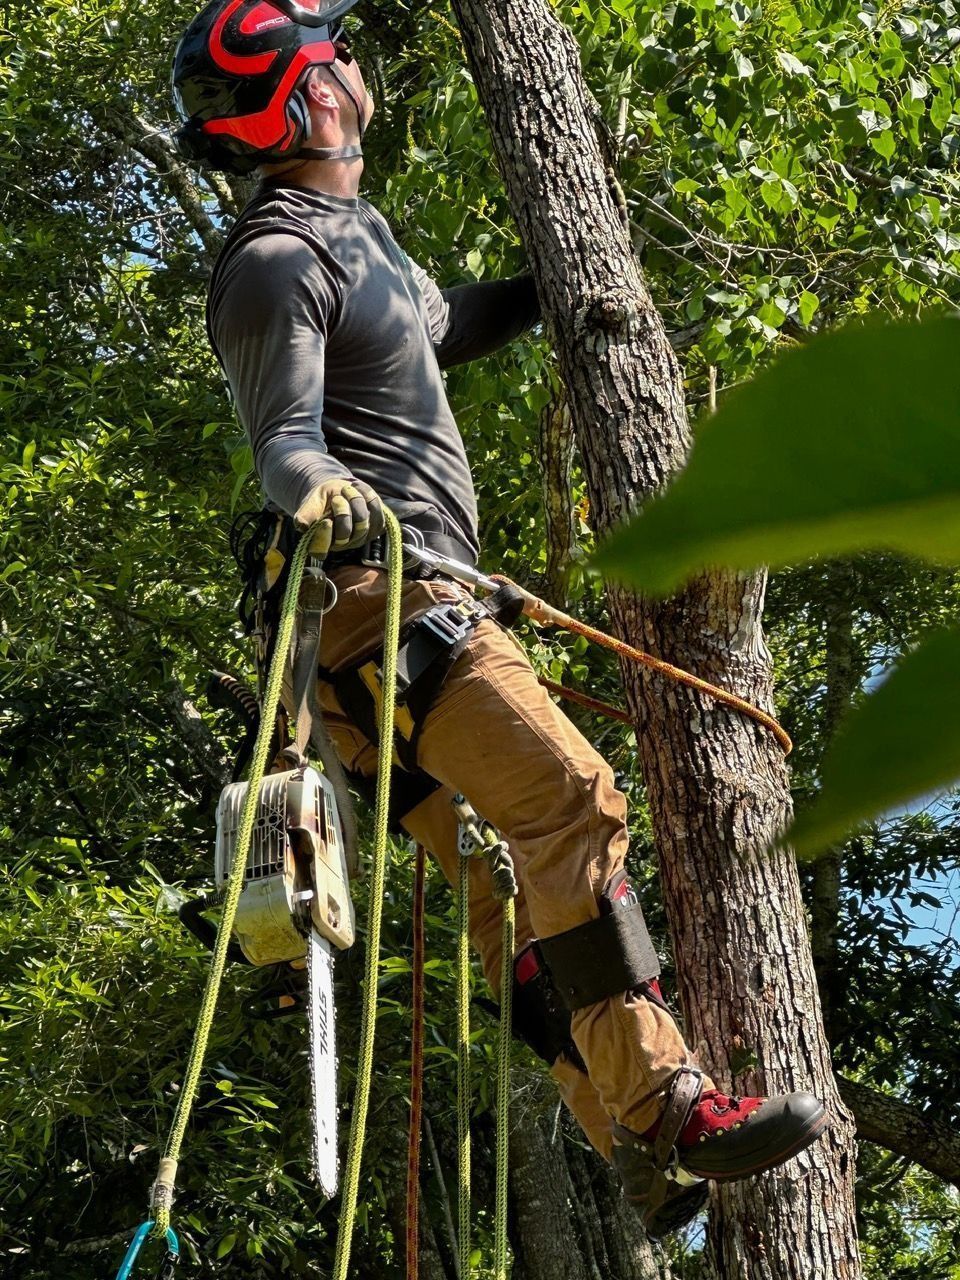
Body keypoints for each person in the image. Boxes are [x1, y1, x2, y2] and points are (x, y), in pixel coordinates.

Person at [172, 0, 829, 1237]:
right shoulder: (274, 259)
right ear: (313, 95)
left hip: (372, 650)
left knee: (506, 905)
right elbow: (288, 443)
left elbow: (442, 324)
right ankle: (667, 1104)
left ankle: (631, 1143)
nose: (357, 67)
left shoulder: (358, 242)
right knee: (572, 803)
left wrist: (570, 281)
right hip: (385, 610)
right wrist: (323, 491)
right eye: (341, 53)